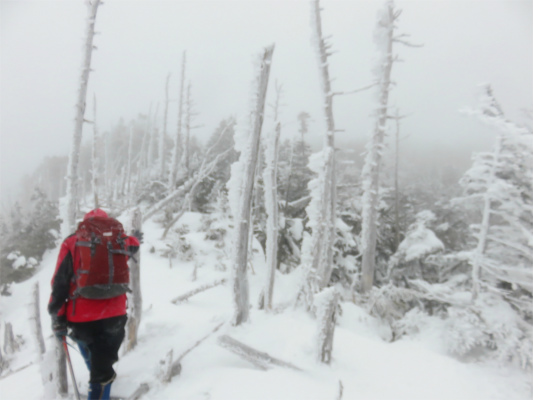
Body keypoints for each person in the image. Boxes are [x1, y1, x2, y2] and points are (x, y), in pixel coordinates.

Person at [48, 208, 140, 400]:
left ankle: (98, 384)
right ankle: (101, 378)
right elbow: (135, 244)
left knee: (96, 362)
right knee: (103, 364)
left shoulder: (72, 242)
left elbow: (59, 283)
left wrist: (58, 316)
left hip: (82, 317)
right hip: (115, 315)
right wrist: (138, 237)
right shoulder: (121, 240)